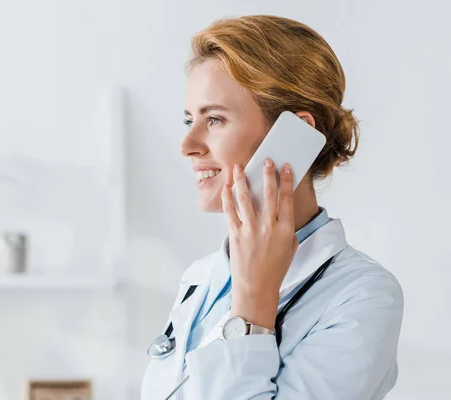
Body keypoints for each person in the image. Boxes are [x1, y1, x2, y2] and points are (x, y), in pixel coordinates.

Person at [141, 15, 404, 400]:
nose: (187, 145)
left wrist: (252, 308)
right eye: (188, 120)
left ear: (295, 134)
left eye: (214, 119)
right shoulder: (201, 278)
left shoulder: (363, 297)